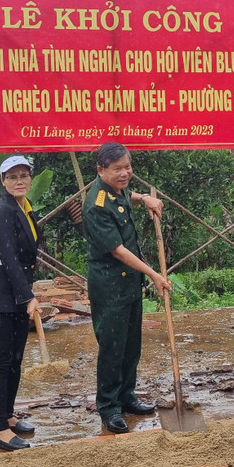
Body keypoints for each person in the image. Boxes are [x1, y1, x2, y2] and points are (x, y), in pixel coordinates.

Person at [82, 142, 172, 434]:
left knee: (131, 344)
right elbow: (118, 250)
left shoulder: (117, 191)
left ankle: (126, 396)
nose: (125, 173)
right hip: (109, 286)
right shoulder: (95, 205)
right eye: (117, 169)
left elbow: (125, 197)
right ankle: (109, 407)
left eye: (127, 167)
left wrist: (144, 198)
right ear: (101, 170)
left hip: (129, 283)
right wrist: (154, 274)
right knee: (112, 347)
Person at [0, 156, 42, 450]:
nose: (19, 181)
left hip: (14, 298)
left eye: (24, 175)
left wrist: (24, 295)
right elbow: (8, 259)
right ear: (2, 181)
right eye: (12, 177)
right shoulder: (2, 211)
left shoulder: (24, 207)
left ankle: (9, 415)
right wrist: (29, 296)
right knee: (1, 363)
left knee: (15, 360)